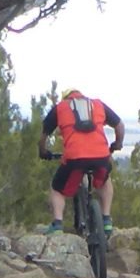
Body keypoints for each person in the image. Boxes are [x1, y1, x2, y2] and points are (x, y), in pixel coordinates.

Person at [40, 87, 124, 237]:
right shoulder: (97, 104)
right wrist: (117, 144)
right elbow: (120, 125)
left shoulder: (60, 108)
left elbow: (43, 135)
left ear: (66, 98)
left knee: (57, 188)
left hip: (74, 159)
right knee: (105, 181)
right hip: (101, 157)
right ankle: (106, 220)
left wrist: (43, 152)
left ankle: (58, 224)